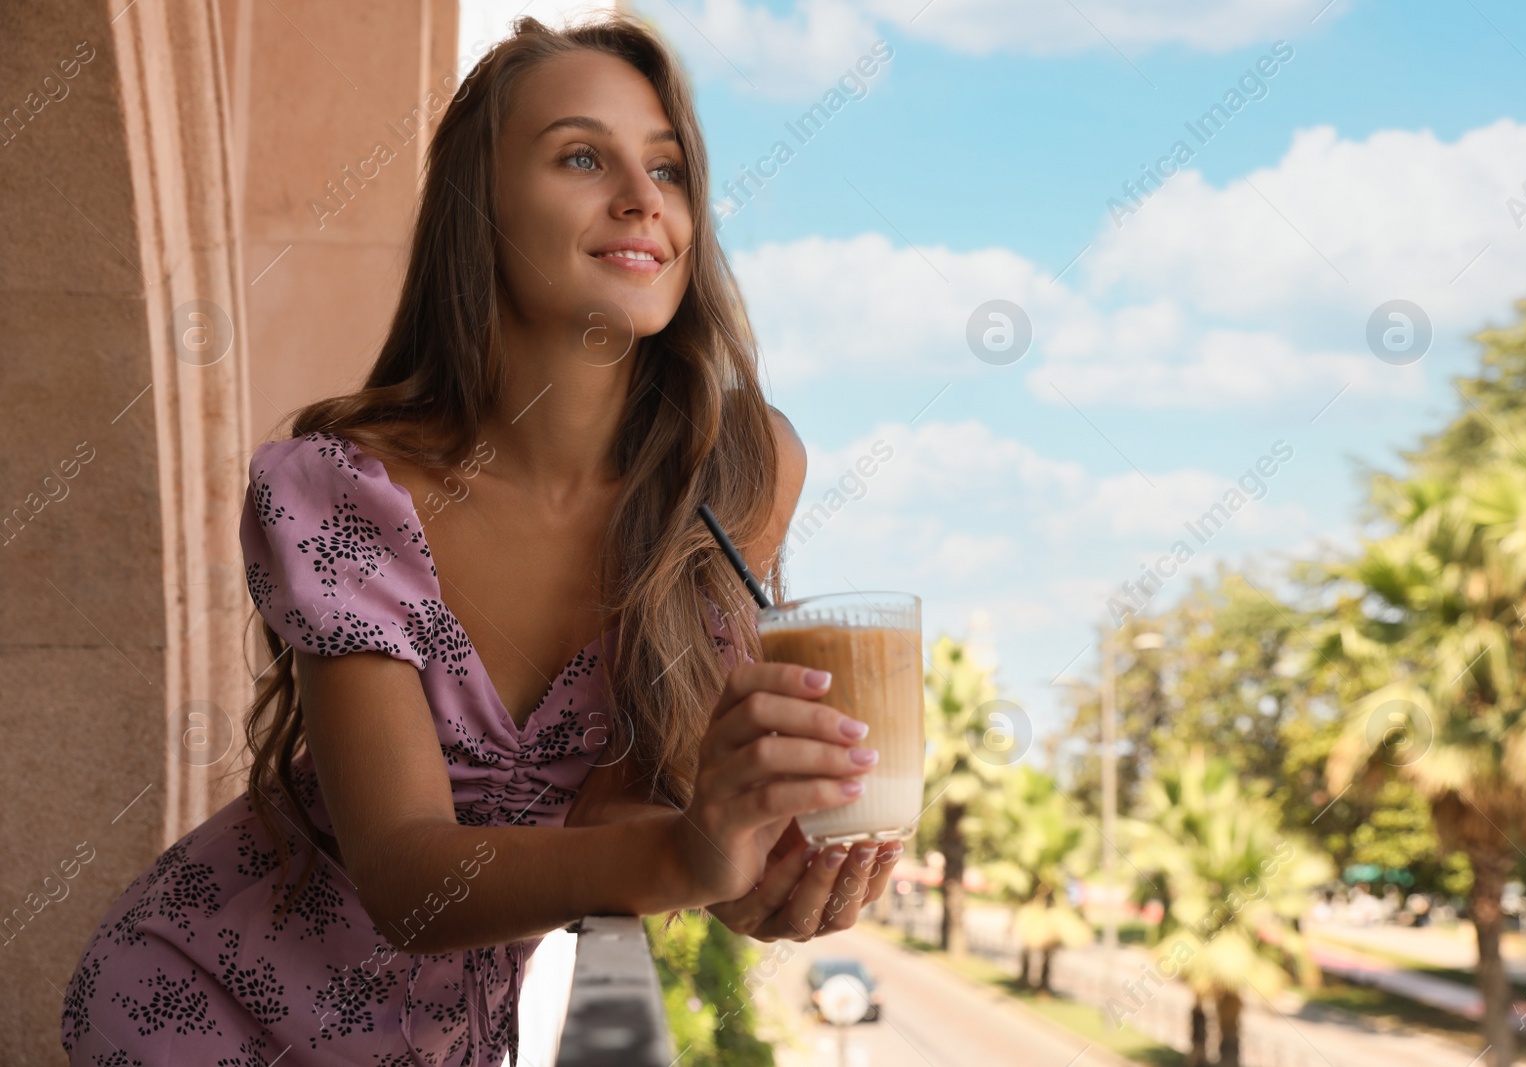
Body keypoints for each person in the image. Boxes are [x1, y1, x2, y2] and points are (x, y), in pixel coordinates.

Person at [60, 15, 898, 1066]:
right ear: (479, 207)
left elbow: (612, 801)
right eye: (582, 156)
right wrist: (685, 857)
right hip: (203, 1006)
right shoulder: (339, 492)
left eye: (670, 167)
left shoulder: (736, 470)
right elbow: (410, 872)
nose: (643, 198)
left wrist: (743, 874)